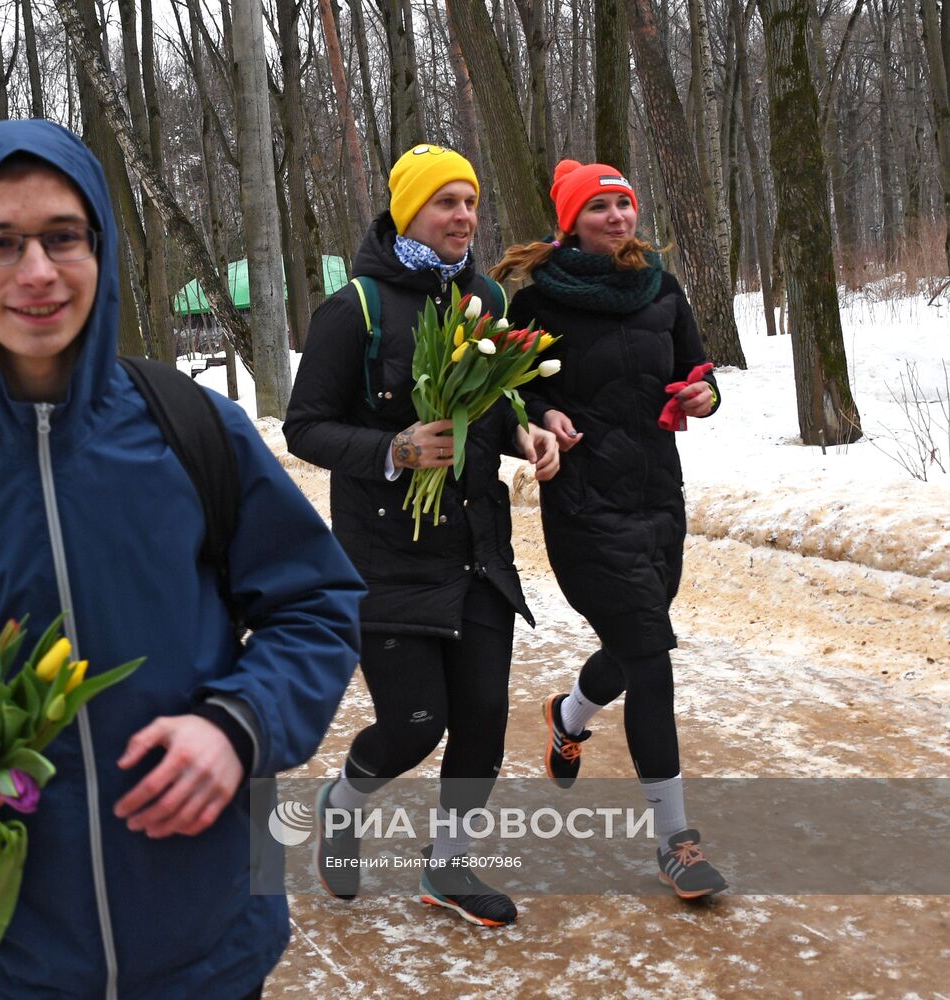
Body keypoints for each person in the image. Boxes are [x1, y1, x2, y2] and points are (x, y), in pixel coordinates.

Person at [0, 119, 364, 998]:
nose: (37, 271)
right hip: (17, 951)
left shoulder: (195, 429)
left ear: (99, 247)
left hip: (215, 935)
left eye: (64, 235)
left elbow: (316, 604)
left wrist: (237, 726)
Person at [284, 143, 560, 926]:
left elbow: (496, 403)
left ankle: (449, 867)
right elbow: (303, 427)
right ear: (410, 212)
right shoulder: (354, 309)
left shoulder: (485, 303)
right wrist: (394, 451)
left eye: (470, 202)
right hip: (385, 556)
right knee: (414, 726)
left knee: (481, 720)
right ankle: (344, 803)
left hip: (476, 551)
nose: (464, 216)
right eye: (446, 202)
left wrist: (527, 432)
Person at [496, 159, 726, 899]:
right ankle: (677, 844)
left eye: (623, 203)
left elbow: (701, 372)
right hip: (586, 505)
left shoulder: (662, 288)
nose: (618, 217)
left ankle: (568, 717)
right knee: (650, 655)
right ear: (571, 222)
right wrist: (538, 415)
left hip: (660, 496)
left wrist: (704, 397)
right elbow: (508, 397)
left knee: (634, 645)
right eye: (599, 207)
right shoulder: (534, 305)